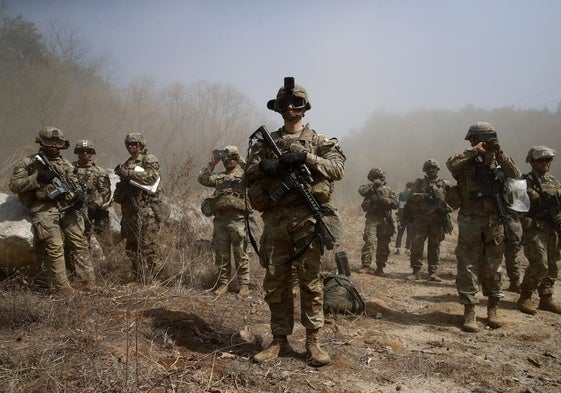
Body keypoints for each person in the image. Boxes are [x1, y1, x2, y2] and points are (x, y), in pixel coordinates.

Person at [245, 77, 345, 367]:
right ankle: (279, 341)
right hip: (275, 220)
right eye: (285, 104)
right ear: (278, 108)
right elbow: (248, 173)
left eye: (296, 103)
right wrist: (265, 166)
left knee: (310, 282)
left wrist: (306, 157)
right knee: (275, 281)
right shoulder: (266, 143)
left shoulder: (321, 141)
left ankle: (313, 342)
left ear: (305, 107)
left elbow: (337, 169)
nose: (290, 108)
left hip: (307, 220)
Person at [446, 121, 520, 332]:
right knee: (468, 263)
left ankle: (492, 310)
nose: (471, 142)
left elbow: (516, 175)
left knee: (493, 265)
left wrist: (500, 154)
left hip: (495, 220)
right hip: (470, 218)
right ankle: (470, 311)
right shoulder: (466, 161)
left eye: (473, 139)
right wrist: (473, 151)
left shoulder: (499, 160)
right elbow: (451, 165)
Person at [9, 127, 95, 293]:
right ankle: (62, 289)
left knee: (79, 243)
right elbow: (14, 185)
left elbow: (74, 181)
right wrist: (38, 178)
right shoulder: (29, 163)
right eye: (50, 142)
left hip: (66, 207)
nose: (54, 146)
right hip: (43, 208)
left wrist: (78, 194)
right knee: (55, 247)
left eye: (58, 143)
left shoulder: (65, 164)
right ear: (41, 143)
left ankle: (88, 284)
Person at [197, 145, 251, 296]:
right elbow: (203, 179)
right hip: (220, 220)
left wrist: (240, 159)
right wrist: (212, 164)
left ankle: (244, 285)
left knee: (240, 253)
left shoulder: (243, 176)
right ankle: (223, 284)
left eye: (232, 157)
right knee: (221, 254)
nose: (228, 160)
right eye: (225, 158)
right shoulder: (219, 177)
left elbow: (254, 175)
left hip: (238, 220)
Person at [113, 132, 163, 284]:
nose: (131, 146)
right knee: (132, 246)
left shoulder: (149, 159)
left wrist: (128, 174)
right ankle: (138, 277)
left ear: (141, 145)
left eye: (134, 144)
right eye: (128, 144)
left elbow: (152, 177)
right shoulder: (127, 163)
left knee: (149, 246)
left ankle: (158, 279)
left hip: (146, 209)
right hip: (130, 212)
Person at [516, 146, 561, 315]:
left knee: (552, 266)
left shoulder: (554, 182)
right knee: (540, 264)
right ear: (532, 162)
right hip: (534, 228)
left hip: (551, 230)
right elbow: (517, 208)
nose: (545, 163)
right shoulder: (524, 182)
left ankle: (546, 298)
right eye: (541, 160)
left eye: (548, 160)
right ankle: (525, 296)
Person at [406, 159, 452, 282]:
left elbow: (452, 200)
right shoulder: (420, 183)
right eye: (428, 169)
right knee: (417, 244)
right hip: (421, 218)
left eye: (433, 168)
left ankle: (433, 272)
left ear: (438, 169)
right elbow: (411, 196)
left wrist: (446, 208)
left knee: (435, 245)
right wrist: (424, 196)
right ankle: (416, 271)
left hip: (437, 219)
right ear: (425, 170)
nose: (431, 170)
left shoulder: (445, 184)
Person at [358, 168, 398, 277]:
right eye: (374, 177)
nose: (377, 179)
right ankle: (366, 265)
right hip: (372, 218)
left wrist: (388, 201)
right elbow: (361, 191)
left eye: (378, 177)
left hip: (385, 219)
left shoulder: (388, 189)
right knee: (369, 240)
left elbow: (396, 204)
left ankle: (380, 267)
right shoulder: (368, 188)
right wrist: (372, 186)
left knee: (383, 243)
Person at [71, 140, 112, 246]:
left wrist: (96, 204)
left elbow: (106, 192)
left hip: (91, 211)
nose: (85, 154)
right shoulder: (69, 170)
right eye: (82, 151)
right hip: (72, 210)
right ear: (77, 152)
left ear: (92, 153)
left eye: (88, 151)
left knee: (103, 242)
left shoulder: (99, 172)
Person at [503, 209, 523, 292]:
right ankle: (481, 280)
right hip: (490, 216)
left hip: (512, 217)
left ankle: (515, 281)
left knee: (512, 251)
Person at [394, 182, 413, 255]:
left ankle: (398, 248)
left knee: (400, 233)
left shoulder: (400, 194)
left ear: (406, 186)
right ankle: (408, 250)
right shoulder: (413, 195)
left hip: (401, 217)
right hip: (410, 218)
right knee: (409, 234)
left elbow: (395, 202)